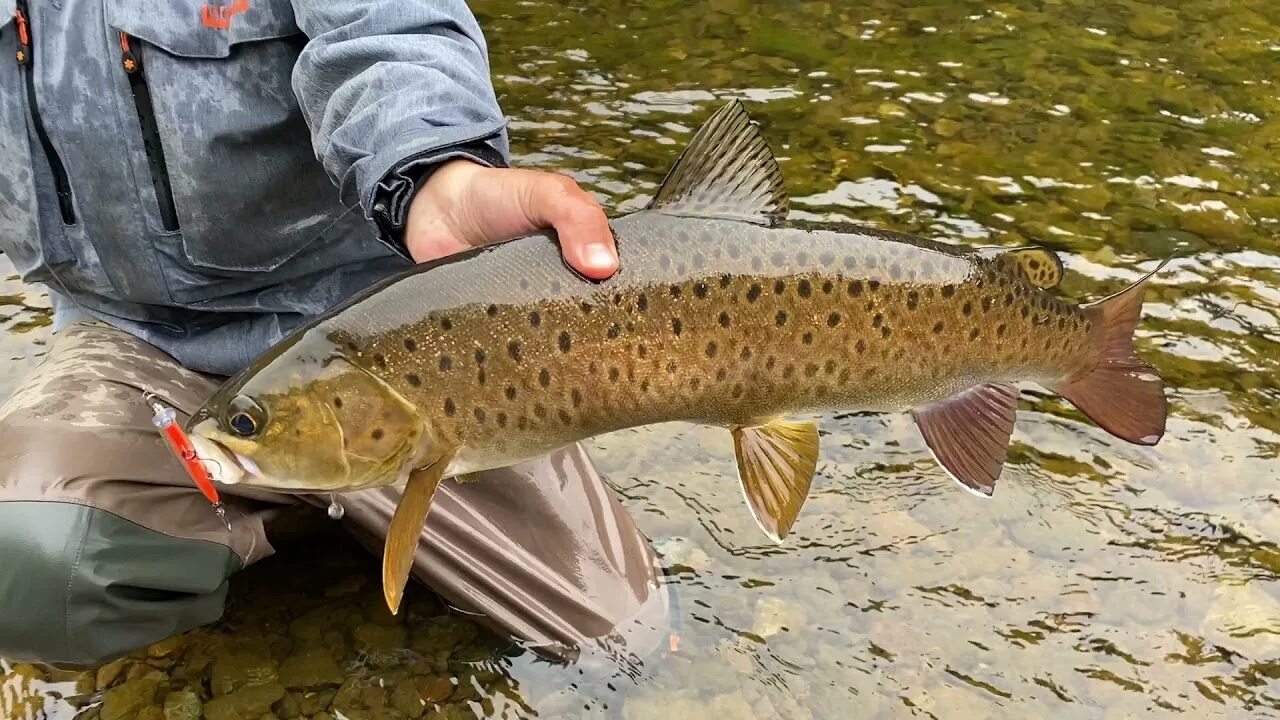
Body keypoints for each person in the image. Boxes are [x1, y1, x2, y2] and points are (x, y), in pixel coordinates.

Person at [0, 0, 670, 667]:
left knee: (619, 644)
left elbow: (382, 25)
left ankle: (297, 499)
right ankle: (279, 508)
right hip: (132, 343)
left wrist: (434, 171)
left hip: (397, 333)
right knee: (26, 569)